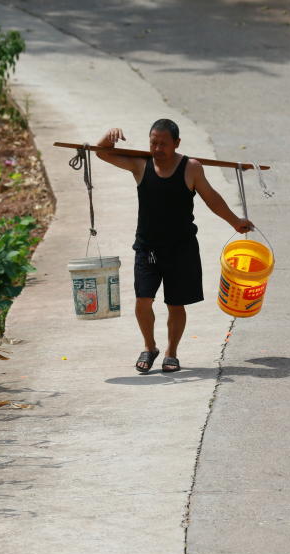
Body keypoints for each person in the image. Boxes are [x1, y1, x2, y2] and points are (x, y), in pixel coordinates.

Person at [96, 119, 254, 373]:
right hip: (147, 248)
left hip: (181, 248)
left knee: (175, 304)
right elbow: (102, 153)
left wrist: (235, 222)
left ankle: (171, 352)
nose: (157, 149)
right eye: (153, 142)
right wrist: (107, 137)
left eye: (163, 144)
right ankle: (149, 347)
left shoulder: (191, 168)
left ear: (177, 143)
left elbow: (211, 198)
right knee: (142, 301)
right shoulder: (140, 164)